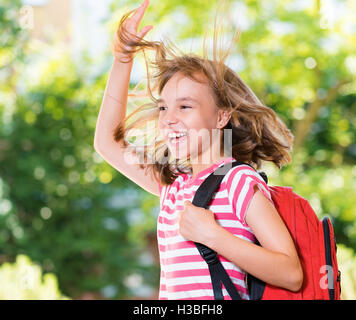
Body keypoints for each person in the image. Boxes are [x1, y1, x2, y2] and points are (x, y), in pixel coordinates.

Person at [94, 0, 303, 300]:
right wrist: (122, 59)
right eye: (164, 107)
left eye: (185, 106)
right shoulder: (174, 185)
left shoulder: (239, 182)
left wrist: (213, 236)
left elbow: (291, 273)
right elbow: (107, 143)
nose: (169, 118)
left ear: (221, 116)